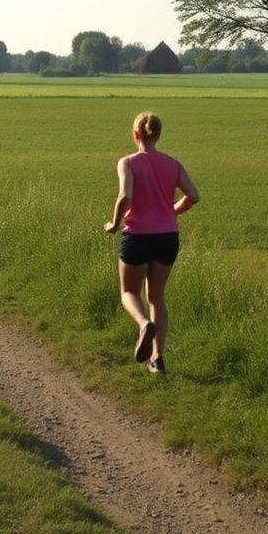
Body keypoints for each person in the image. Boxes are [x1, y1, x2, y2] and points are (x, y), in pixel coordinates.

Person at [103, 111, 200, 374]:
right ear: (158, 135)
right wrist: (171, 210)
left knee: (129, 293)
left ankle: (143, 323)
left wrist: (114, 223)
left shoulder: (128, 162)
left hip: (137, 236)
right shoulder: (173, 164)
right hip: (168, 237)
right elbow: (193, 196)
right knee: (157, 296)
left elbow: (125, 195)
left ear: (136, 135)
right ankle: (157, 359)